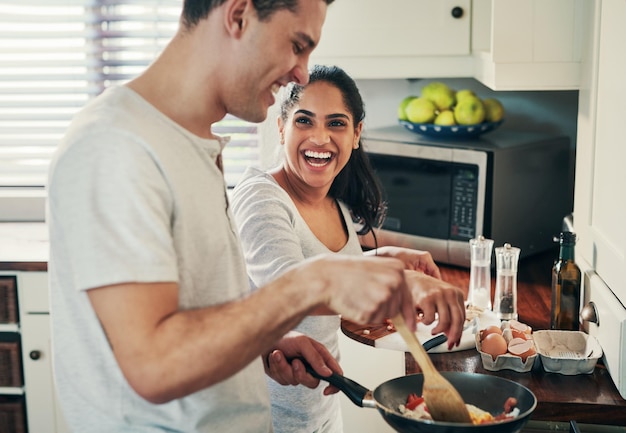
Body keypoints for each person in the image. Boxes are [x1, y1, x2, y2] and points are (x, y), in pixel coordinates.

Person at [46, 2, 423, 432]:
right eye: (297, 45)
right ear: (239, 15)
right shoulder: (116, 146)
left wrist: (264, 344)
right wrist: (315, 280)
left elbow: (192, 314)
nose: (301, 74)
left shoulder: (194, 146)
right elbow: (153, 365)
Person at [230, 64, 467, 433]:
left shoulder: (335, 202)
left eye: (336, 124)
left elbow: (330, 267)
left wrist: (385, 259)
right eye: (304, 121)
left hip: (321, 411)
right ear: (281, 128)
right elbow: (290, 285)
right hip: (264, 419)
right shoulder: (260, 196)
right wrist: (400, 283)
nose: (320, 138)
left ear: (356, 134)